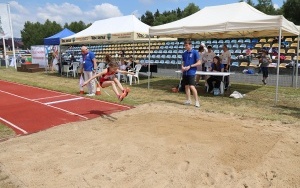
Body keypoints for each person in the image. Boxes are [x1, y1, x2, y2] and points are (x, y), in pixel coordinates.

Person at [181, 39, 202, 107]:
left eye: (186, 45)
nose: (185, 47)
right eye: (185, 45)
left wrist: (190, 66)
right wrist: (182, 67)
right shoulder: (184, 53)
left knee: (192, 86)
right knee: (186, 86)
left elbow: (199, 62)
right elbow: (183, 62)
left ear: (190, 45)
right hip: (185, 72)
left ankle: (197, 101)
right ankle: (188, 100)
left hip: (191, 72)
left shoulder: (195, 52)